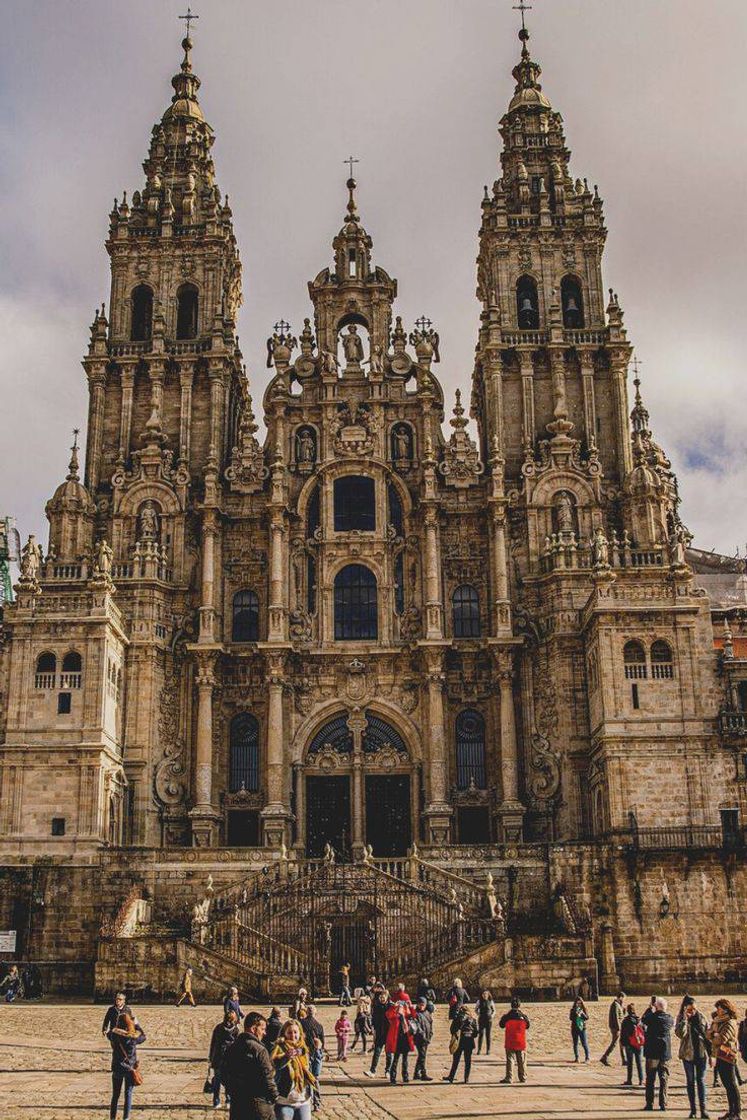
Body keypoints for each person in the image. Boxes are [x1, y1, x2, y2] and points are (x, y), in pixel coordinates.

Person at [223, 1012, 279, 1120]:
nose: (264, 1033)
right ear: (254, 1029)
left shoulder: (232, 1047)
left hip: (238, 1104)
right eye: (262, 1029)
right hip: (258, 1104)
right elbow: (268, 1077)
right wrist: (275, 1097)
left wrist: (233, 1090)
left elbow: (224, 1074)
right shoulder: (259, 1050)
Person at [271, 1019, 317, 1120]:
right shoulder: (279, 1048)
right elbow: (274, 1066)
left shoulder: (303, 1050)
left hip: (303, 1100)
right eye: (289, 1032)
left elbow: (310, 1072)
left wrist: (317, 1049)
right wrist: (286, 1057)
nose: (293, 1035)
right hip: (284, 1101)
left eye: (295, 1032)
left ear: (300, 1033)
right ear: (284, 1034)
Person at [675, 995, 710, 1119]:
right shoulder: (681, 1018)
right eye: (690, 1009)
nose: (692, 1011)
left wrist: (712, 1055)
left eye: (694, 1009)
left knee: (701, 1081)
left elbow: (708, 1037)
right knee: (690, 1082)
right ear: (685, 1008)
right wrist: (684, 1019)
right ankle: (693, 1110)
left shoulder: (702, 1017)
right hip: (688, 1055)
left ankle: (703, 1110)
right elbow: (680, 1034)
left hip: (701, 1054)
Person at [107, 1012, 146, 1120]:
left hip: (117, 1067)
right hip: (130, 1068)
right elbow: (143, 1036)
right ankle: (126, 1118)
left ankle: (113, 1118)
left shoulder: (114, 1035)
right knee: (128, 1094)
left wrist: (117, 1025)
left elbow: (109, 1033)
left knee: (115, 1095)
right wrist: (136, 1024)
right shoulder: (133, 1038)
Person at [707, 998, 741, 1120]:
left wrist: (714, 1035)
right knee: (727, 1085)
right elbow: (708, 1034)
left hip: (728, 1056)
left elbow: (721, 1039)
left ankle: (737, 1113)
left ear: (726, 1009)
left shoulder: (730, 1022)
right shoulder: (717, 1021)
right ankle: (731, 1111)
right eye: (717, 1008)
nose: (717, 1010)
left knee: (732, 1084)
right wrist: (713, 1034)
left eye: (719, 1008)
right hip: (719, 1055)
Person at [642, 996, 674, 1112]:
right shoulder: (669, 1019)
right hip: (664, 1052)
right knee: (664, 1078)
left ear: (656, 1007)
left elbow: (643, 1019)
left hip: (652, 1052)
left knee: (650, 1079)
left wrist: (649, 1008)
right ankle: (663, 1103)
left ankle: (649, 1103)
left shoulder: (651, 1017)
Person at [209, 1009, 240, 1111]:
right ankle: (228, 1100)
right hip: (230, 1059)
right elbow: (237, 1046)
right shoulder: (236, 1030)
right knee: (228, 1081)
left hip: (218, 1058)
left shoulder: (218, 1028)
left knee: (217, 1080)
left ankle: (216, 1101)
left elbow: (213, 1043)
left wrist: (210, 1057)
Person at [385, 988, 416, 1084]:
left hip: (405, 1038)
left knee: (405, 1059)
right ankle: (393, 1077)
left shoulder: (407, 1012)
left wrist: (410, 1006)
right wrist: (395, 1007)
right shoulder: (394, 1011)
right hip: (397, 1039)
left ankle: (405, 1076)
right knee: (396, 1058)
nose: (402, 1005)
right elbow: (388, 1015)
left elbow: (414, 1016)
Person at [499, 996, 530, 1084]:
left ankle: (509, 1077)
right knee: (522, 1060)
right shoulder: (523, 1016)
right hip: (520, 1041)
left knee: (510, 1059)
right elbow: (528, 1026)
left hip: (510, 1040)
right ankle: (523, 1076)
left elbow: (501, 1025)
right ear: (519, 1005)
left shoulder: (507, 1016)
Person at [444, 1005, 478, 1084]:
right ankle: (466, 1078)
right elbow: (476, 1033)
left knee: (456, 1060)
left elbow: (452, 1030)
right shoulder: (473, 1020)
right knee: (468, 1061)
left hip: (459, 1041)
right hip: (469, 1042)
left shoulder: (457, 1018)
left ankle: (451, 1077)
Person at [300, 1004, 325, 1112]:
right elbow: (322, 1043)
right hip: (316, 1052)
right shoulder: (319, 1025)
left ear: (306, 1011)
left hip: (305, 1052)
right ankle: (317, 1103)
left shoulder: (301, 1023)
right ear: (315, 1012)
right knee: (315, 1078)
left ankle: (306, 1101)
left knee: (306, 1078)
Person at [365, 989, 392, 1078]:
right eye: (381, 997)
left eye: (384, 997)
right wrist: (374, 1033)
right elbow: (374, 1021)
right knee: (376, 1052)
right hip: (380, 1033)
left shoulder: (390, 1006)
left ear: (387, 997)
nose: (382, 998)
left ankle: (388, 1071)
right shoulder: (376, 1007)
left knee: (389, 1054)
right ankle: (372, 1071)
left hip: (389, 1033)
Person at [620, 1002, 645, 1087]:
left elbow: (623, 1033)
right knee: (639, 1062)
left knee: (630, 1063)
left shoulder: (625, 1021)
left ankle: (629, 1079)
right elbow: (643, 1031)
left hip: (629, 1043)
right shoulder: (639, 1020)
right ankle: (641, 1080)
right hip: (638, 1043)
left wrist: (622, 1043)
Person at [600, 991, 626, 1066]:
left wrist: (623, 1010)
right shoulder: (615, 1005)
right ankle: (605, 1057)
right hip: (616, 1028)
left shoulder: (618, 1005)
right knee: (614, 1044)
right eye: (623, 998)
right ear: (620, 997)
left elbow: (620, 1016)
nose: (624, 1000)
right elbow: (616, 1018)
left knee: (622, 1043)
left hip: (618, 1027)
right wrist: (618, 1028)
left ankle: (624, 1060)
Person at [412, 995, 434, 1081]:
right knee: (422, 1055)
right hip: (419, 1039)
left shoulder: (427, 1013)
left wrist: (430, 1034)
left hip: (427, 1037)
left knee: (422, 1055)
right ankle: (423, 1073)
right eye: (420, 1004)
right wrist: (423, 1036)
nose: (421, 1006)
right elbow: (416, 1027)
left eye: (423, 1004)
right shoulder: (415, 1014)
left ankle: (416, 1073)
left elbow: (430, 1023)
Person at [570, 995, 590, 1063]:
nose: (579, 1004)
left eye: (580, 1003)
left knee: (584, 1043)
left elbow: (587, 1018)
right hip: (574, 1028)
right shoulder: (573, 1010)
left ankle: (587, 1058)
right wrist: (575, 1014)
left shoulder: (584, 1010)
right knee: (575, 1043)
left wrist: (582, 1014)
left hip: (582, 1028)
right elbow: (570, 1018)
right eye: (577, 1003)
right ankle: (577, 1058)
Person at [476, 990, 495, 1055]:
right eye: (483, 994)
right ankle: (479, 1049)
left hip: (489, 1020)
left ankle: (488, 1050)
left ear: (488, 995)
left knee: (488, 1035)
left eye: (486, 994)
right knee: (481, 1034)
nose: (484, 995)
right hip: (481, 1019)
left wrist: (492, 1016)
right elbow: (476, 1009)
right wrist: (479, 1014)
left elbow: (494, 1010)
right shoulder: (479, 1001)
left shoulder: (491, 1001)